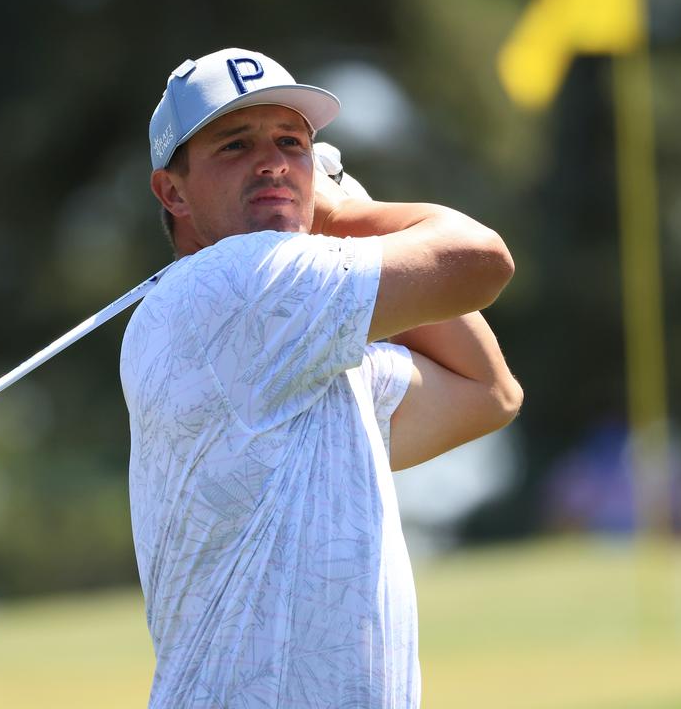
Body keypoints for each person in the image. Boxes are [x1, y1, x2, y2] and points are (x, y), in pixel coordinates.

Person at [120, 47, 522, 708]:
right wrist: (338, 211)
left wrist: (323, 211)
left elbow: (489, 393)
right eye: (235, 145)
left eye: (292, 143)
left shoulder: (299, 352)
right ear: (173, 191)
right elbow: (481, 260)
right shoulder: (235, 285)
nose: (273, 162)